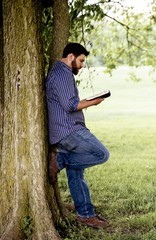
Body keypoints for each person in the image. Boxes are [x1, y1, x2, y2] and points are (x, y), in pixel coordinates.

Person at [46, 43, 110, 229]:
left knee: (76, 172)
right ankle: (60, 160)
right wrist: (93, 102)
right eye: (81, 60)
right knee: (101, 154)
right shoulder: (62, 74)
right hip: (69, 131)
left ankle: (85, 214)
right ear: (71, 56)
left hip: (64, 131)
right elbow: (70, 105)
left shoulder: (60, 73)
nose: (82, 65)